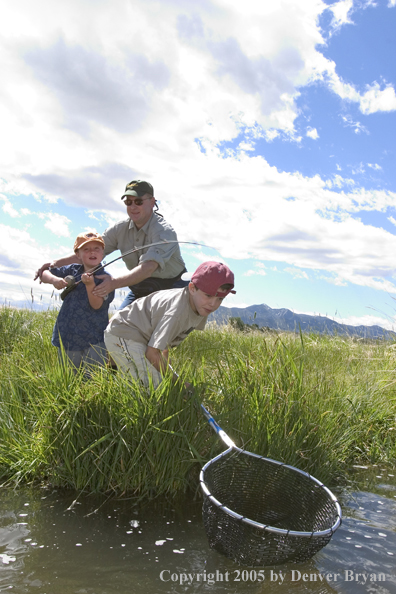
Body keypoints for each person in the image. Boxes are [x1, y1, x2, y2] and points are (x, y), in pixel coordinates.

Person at [35, 180, 188, 309]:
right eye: (128, 202)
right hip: (140, 287)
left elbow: (148, 268)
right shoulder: (118, 229)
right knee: (114, 329)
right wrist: (54, 264)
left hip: (173, 287)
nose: (133, 206)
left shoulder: (164, 231)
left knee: (157, 335)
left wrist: (113, 283)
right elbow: (89, 253)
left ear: (152, 202)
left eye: (139, 201)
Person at [104, 261, 236, 388]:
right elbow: (152, 353)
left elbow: (166, 340)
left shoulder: (201, 307)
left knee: (160, 380)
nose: (213, 304)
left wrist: (165, 364)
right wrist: (178, 383)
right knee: (154, 387)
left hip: (143, 339)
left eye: (220, 298)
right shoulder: (177, 312)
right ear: (192, 288)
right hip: (124, 333)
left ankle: (116, 375)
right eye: (208, 295)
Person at [40, 232, 115, 372]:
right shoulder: (72, 269)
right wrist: (55, 280)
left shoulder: (106, 279)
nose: (92, 251)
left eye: (96, 248)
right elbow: (44, 274)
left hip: (94, 339)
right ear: (78, 255)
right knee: (69, 378)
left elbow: (97, 305)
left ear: (103, 253)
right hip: (67, 335)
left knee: (92, 380)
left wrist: (90, 284)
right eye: (86, 249)